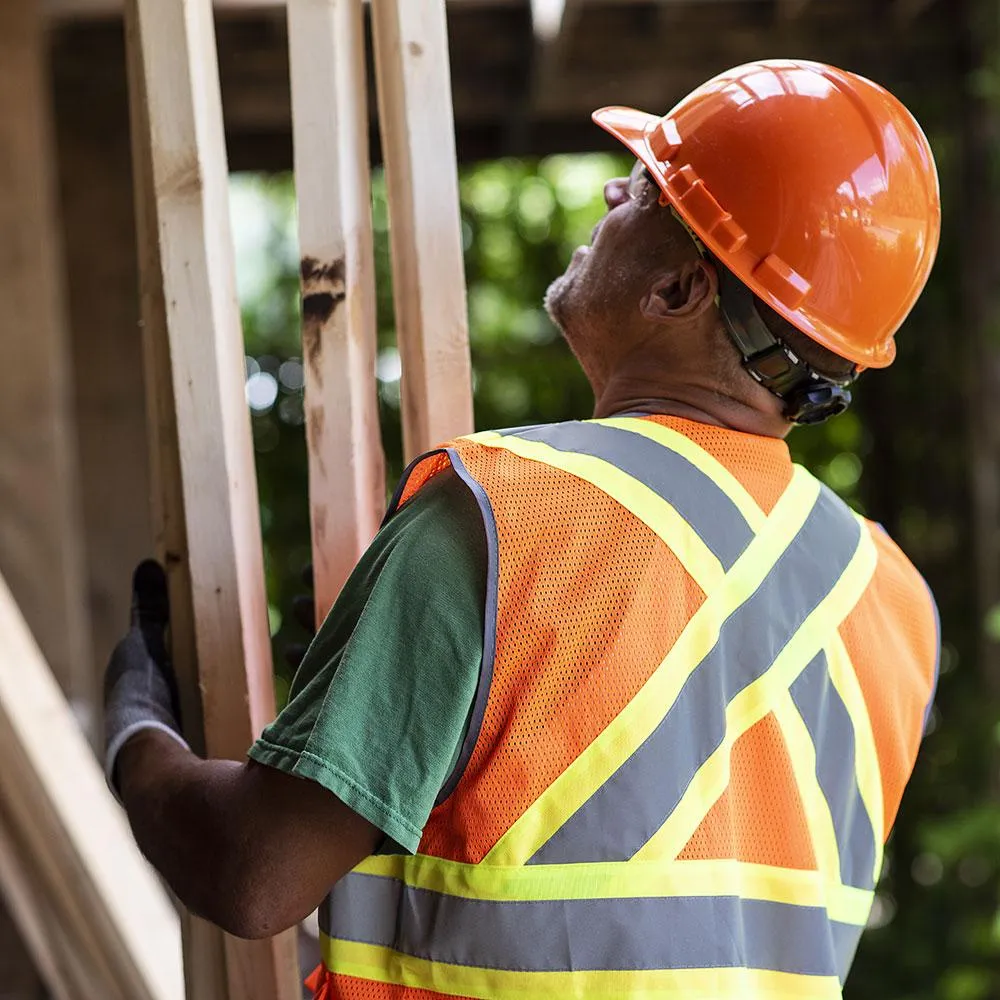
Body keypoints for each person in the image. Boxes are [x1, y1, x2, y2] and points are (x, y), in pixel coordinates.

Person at [104, 59, 942, 1000]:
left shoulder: (504, 515)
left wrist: (137, 732)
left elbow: (255, 874)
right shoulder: (889, 599)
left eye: (649, 190)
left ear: (678, 291)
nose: (614, 189)